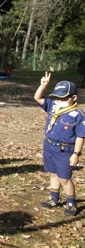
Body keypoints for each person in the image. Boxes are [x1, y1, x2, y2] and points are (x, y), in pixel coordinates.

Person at [34, 75, 84, 216]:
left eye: (63, 99)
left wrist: (76, 154)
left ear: (73, 98)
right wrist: (43, 85)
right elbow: (38, 98)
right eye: (57, 98)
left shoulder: (78, 115)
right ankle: (54, 198)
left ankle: (70, 202)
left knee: (64, 178)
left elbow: (81, 135)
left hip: (65, 150)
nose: (58, 101)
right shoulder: (53, 107)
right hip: (50, 146)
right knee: (53, 174)